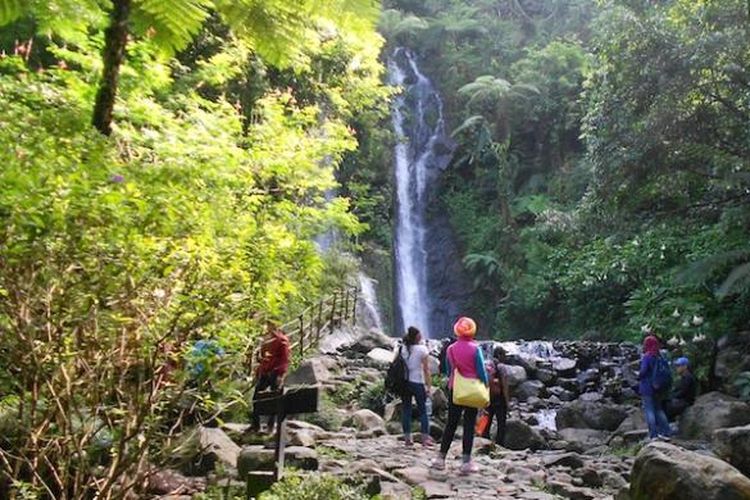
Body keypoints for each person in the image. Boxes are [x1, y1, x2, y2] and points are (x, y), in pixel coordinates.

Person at [431, 317, 488, 475]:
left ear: (457, 330)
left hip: (455, 388)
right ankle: (466, 462)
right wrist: (486, 385)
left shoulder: (451, 349)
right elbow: (481, 371)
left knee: (451, 423)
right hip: (472, 390)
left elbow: (450, 371)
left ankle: (440, 459)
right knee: (469, 425)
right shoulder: (475, 349)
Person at [250, 320, 291, 433]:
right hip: (265, 371)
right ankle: (256, 425)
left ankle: (270, 426)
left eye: (268, 325)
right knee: (257, 397)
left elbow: (284, 359)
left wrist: (279, 373)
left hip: (275, 372)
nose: (266, 327)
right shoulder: (267, 340)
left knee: (274, 398)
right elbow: (264, 357)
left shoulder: (282, 340)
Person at [400, 326, 434, 447]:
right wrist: (428, 386)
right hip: (417, 382)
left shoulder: (403, 348)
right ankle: (425, 439)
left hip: (404, 383)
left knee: (406, 410)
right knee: (423, 411)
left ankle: (408, 438)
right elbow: (426, 370)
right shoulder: (422, 349)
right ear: (417, 336)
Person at [638, 335, 671, 440]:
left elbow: (643, 371)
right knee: (658, 409)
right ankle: (666, 433)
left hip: (647, 388)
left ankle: (653, 435)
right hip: (658, 387)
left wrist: (638, 375)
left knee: (649, 410)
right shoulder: (660, 356)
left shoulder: (647, 356)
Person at [482, 346, 510, 446]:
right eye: (504, 354)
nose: (505, 357)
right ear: (499, 355)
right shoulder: (502, 367)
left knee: (487, 419)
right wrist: (507, 401)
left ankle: (483, 438)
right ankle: (499, 444)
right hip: (499, 398)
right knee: (501, 422)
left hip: (488, 396)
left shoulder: (487, 365)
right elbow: (505, 385)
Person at [666, 357, 697, 421]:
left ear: (685, 366)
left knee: (667, 407)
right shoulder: (684, 377)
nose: (676, 368)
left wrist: (671, 397)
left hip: (685, 401)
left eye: (678, 366)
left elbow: (683, 392)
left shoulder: (688, 377)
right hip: (682, 400)